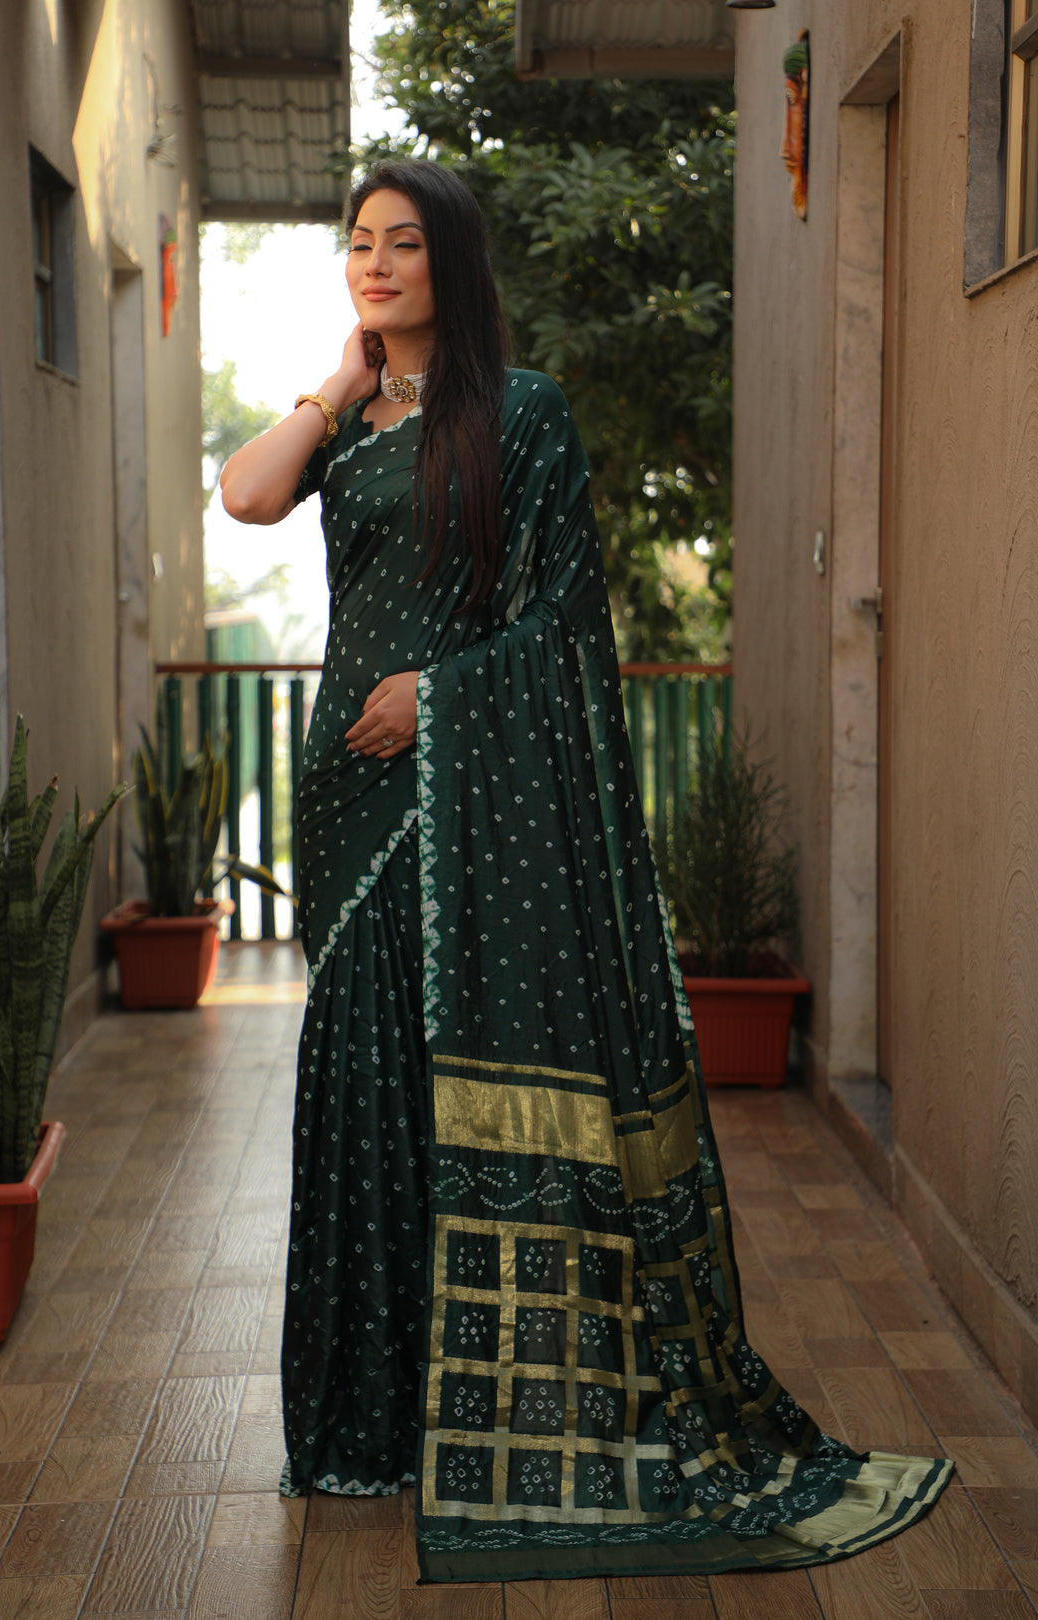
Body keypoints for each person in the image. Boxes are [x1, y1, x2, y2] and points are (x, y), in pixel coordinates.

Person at [220, 158, 951, 1585]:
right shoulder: (344, 423)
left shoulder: (525, 417)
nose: (375, 264)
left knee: (459, 1081)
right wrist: (334, 378)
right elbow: (247, 497)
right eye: (359, 246)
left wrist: (439, 698)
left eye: (403, 245)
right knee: (363, 1081)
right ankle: (367, 1423)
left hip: (465, 799)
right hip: (353, 812)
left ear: (456, 263)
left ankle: (507, 1415)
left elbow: (562, 632)